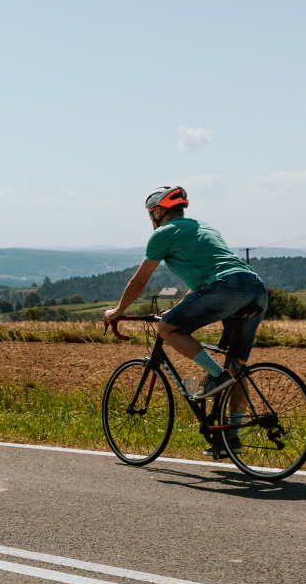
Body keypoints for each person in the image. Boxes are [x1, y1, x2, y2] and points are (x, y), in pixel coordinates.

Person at [104, 186, 268, 434]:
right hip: (256, 288)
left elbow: (139, 281)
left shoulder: (162, 234)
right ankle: (231, 437)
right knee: (236, 367)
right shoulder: (206, 227)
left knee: (167, 327)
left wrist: (118, 310)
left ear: (157, 212)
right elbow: (209, 277)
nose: (151, 219)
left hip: (227, 287)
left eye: (151, 213)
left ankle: (215, 374)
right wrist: (182, 306)